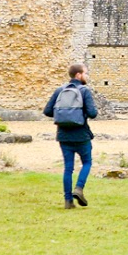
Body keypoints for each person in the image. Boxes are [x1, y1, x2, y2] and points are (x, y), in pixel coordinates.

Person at [44, 62, 99, 208]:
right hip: (81, 134)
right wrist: (80, 114)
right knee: (87, 162)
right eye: (85, 73)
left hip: (63, 134)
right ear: (78, 75)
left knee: (68, 168)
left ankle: (68, 201)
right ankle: (79, 188)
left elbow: (47, 111)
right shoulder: (84, 91)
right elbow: (93, 113)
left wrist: (64, 115)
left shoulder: (59, 90)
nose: (87, 76)